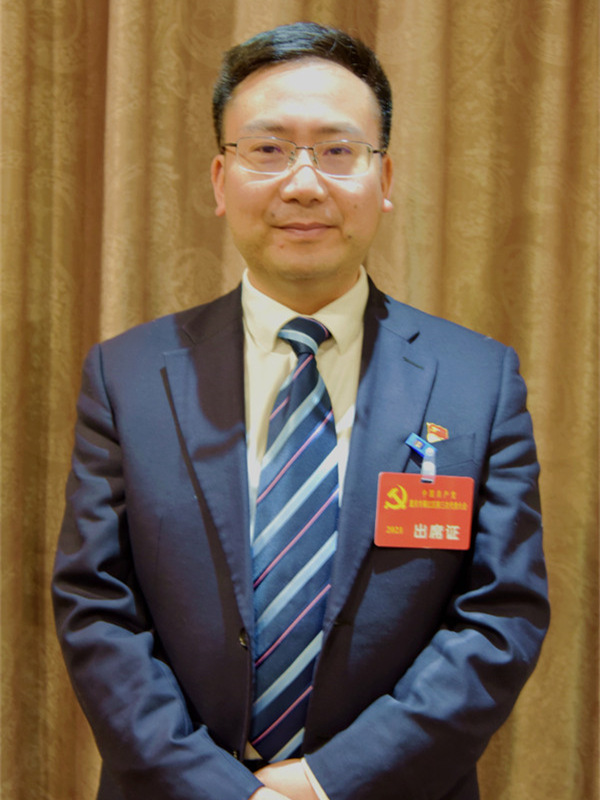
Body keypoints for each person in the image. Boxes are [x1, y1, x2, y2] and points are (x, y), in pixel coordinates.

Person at [52, 21, 549, 800]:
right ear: (221, 180)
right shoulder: (129, 375)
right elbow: (97, 608)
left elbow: (500, 616)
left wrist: (326, 783)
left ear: (385, 177)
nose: (304, 184)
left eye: (339, 150)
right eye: (269, 149)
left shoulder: (476, 380)